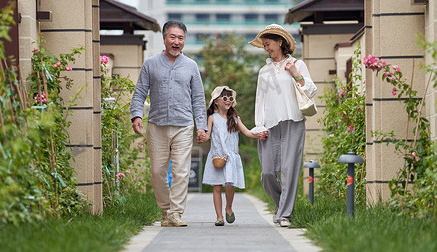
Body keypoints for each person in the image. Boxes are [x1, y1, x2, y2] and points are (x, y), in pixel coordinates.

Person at [130, 20, 207, 227]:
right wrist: (137, 115)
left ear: (184, 41)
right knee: (157, 172)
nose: (176, 41)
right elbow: (139, 93)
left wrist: (202, 126)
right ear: (164, 38)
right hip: (156, 125)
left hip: (183, 125)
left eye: (180, 38)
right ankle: (165, 209)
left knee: (181, 171)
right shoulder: (151, 64)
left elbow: (198, 99)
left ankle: (175, 213)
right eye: (172, 37)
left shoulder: (191, 66)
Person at [249, 24, 317, 227]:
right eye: (264, 46)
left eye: (268, 44)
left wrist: (296, 73)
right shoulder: (264, 71)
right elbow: (259, 100)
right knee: (268, 172)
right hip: (269, 125)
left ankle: (285, 214)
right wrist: (259, 126)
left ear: (280, 41)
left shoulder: (298, 64)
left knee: (289, 170)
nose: (266, 48)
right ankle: (279, 204)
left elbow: (311, 91)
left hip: (293, 122)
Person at [201, 86, 266, 226]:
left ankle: (228, 207)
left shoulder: (235, 118)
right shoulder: (212, 118)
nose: (228, 100)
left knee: (229, 185)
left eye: (230, 98)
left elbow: (247, 132)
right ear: (216, 101)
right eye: (224, 98)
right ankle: (219, 217)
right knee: (217, 187)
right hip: (216, 157)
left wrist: (257, 134)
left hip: (230, 157)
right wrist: (202, 136)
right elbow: (207, 135)